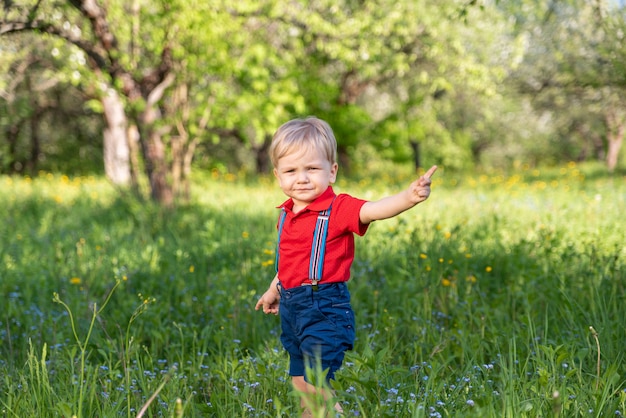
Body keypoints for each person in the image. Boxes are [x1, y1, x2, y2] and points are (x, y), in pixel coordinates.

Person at [255, 116, 437, 417]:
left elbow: (374, 210)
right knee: (300, 381)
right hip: (292, 309)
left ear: (332, 172)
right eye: (291, 170)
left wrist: (409, 198)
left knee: (316, 383)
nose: (301, 178)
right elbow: (290, 262)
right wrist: (274, 288)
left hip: (324, 308)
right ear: (277, 175)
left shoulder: (338, 209)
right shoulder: (286, 214)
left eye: (312, 168)